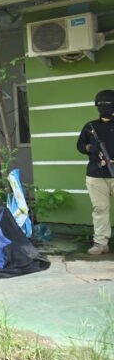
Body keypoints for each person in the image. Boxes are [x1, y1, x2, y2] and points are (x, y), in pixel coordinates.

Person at [77, 90, 114, 255]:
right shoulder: (90, 126)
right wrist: (91, 148)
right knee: (100, 209)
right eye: (102, 104)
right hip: (95, 175)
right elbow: (80, 145)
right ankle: (101, 243)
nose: (105, 107)